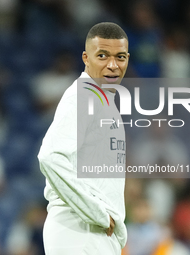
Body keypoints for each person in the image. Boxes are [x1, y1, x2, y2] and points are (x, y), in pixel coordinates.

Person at [37, 22, 130, 254]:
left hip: (92, 232)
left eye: (120, 57)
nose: (112, 65)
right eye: (102, 56)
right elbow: (50, 156)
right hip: (81, 230)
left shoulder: (102, 99)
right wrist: (97, 213)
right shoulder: (85, 96)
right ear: (86, 58)